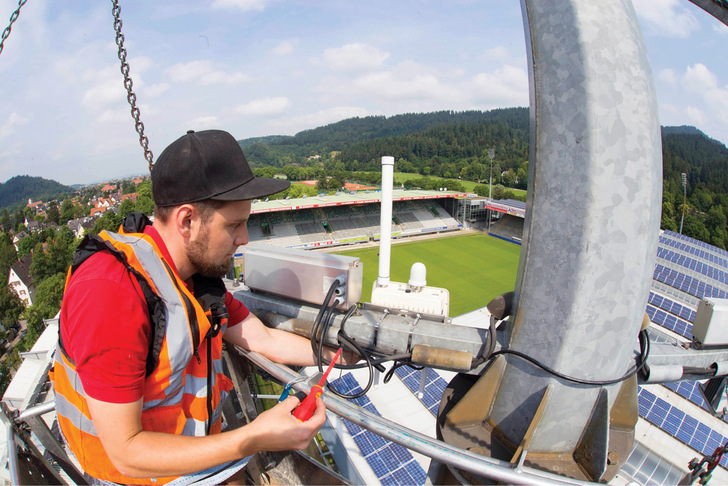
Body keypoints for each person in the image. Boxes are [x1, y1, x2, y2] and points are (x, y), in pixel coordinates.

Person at [51, 129, 348, 485]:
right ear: (187, 221)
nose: (245, 239)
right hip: (129, 475)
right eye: (234, 225)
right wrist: (253, 437)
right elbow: (126, 452)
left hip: (185, 453)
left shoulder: (189, 276)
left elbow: (263, 338)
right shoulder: (111, 294)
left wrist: (343, 354)